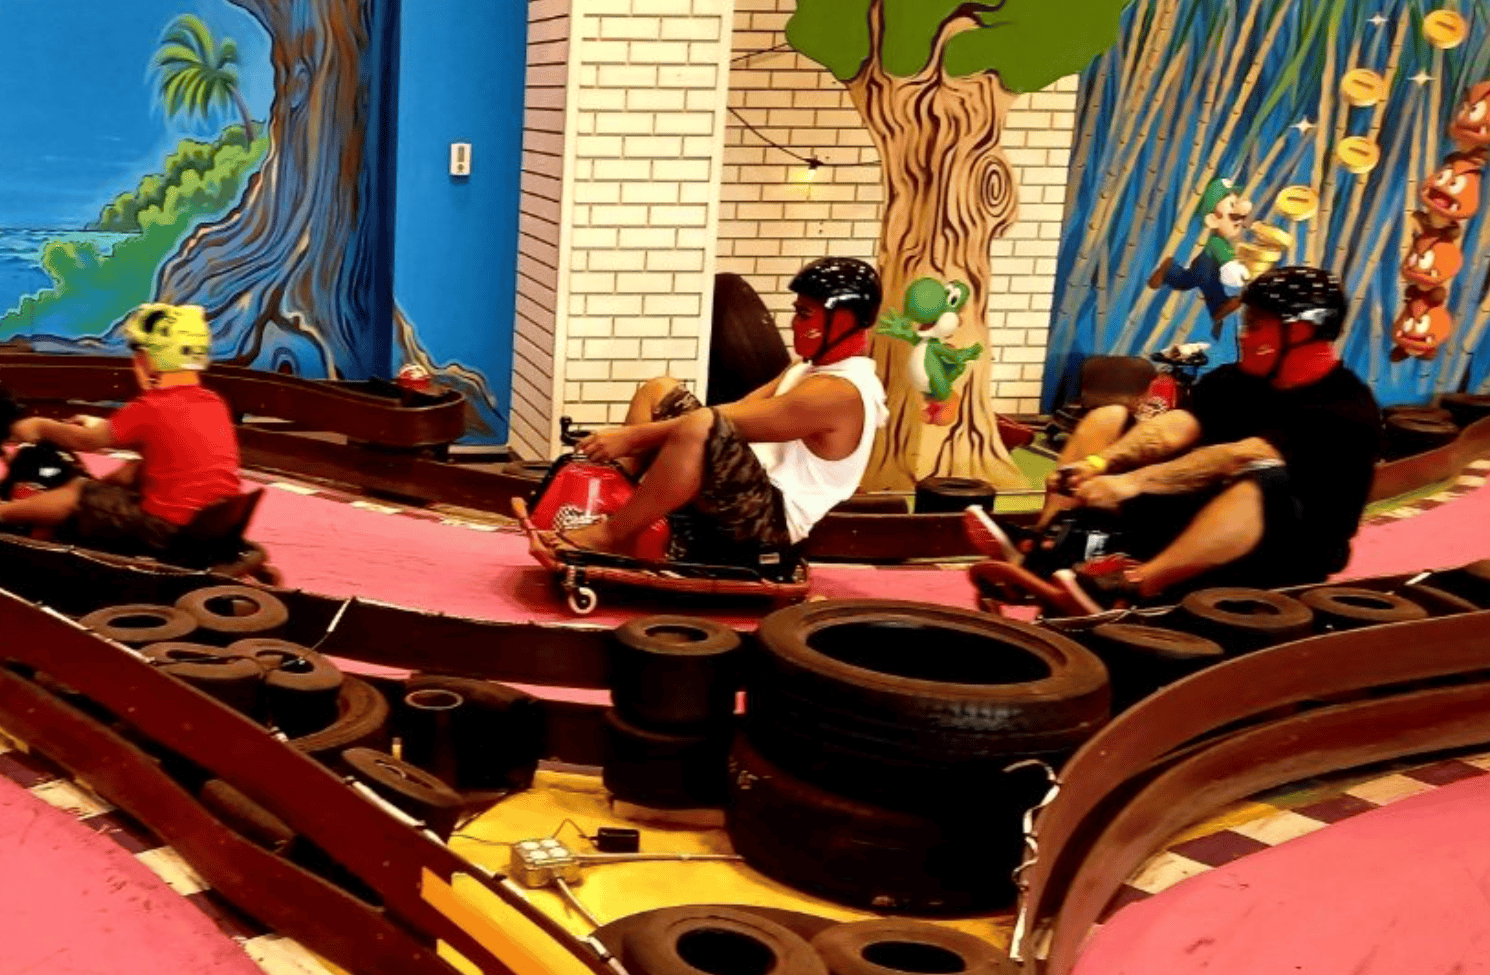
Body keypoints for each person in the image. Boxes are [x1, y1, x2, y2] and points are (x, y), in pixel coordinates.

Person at [971, 265, 1380, 612]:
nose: (1243, 334)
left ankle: (1136, 584)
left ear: (1301, 332)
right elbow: (1175, 427)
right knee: (1107, 418)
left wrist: (1129, 483)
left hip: (1285, 552)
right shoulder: (1234, 380)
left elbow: (1237, 457)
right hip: (1201, 519)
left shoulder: (1344, 408)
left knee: (1264, 478)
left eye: (1254, 324)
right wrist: (1099, 466)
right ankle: (1041, 547)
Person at [546, 256, 890, 574]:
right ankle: (622, 501)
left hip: (770, 522)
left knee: (702, 426)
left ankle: (613, 534)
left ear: (841, 321)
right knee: (659, 391)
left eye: (804, 314)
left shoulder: (839, 393)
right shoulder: (808, 368)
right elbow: (743, 406)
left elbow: (729, 423)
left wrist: (630, 438)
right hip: (747, 488)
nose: (793, 323)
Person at [0, 302, 242, 556]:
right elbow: (163, 438)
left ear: (149, 358)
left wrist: (40, 426)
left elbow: (88, 441)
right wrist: (101, 446)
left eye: (139, 355)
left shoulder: (153, 405)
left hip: (168, 529)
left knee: (79, 490)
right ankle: (86, 505)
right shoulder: (212, 401)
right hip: (213, 519)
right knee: (131, 472)